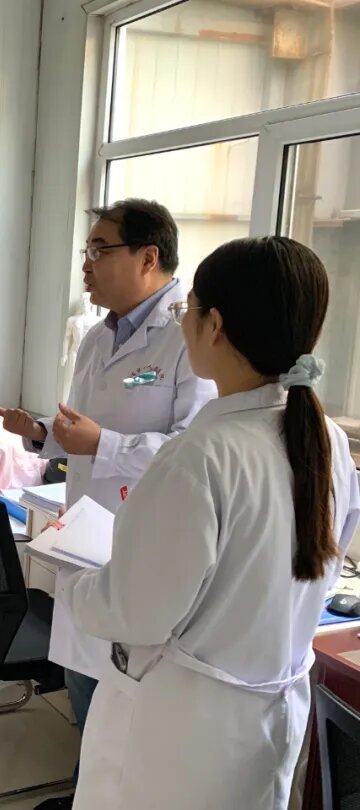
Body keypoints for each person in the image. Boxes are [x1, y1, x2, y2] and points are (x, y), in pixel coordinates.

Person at [67, 236, 360, 809]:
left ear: (216, 325)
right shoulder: (324, 439)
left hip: (180, 731)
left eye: (188, 309)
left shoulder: (199, 456)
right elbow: (320, 568)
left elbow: (137, 611)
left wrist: (77, 587)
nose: (183, 322)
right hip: (266, 720)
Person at [0, 199, 216, 810]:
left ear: (148, 257)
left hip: (147, 545)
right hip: (87, 538)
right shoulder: (97, 337)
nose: (85, 265)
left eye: (99, 250)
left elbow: (197, 449)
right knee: (87, 686)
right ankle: (86, 790)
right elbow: (81, 428)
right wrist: (41, 431)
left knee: (129, 708)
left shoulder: (187, 337)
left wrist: (104, 444)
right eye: (86, 251)